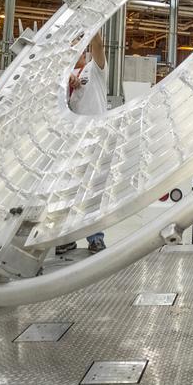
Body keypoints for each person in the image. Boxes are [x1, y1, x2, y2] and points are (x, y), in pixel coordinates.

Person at [58, 31, 108, 254]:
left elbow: (98, 44)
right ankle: (66, 237)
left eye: (78, 45)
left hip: (95, 136)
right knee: (67, 191)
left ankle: (95, 238)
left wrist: (92, 30)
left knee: (92, 190)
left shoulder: (94, 69)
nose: (75, 48)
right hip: (72, 140)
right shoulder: (63, 77)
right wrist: (68, 84)